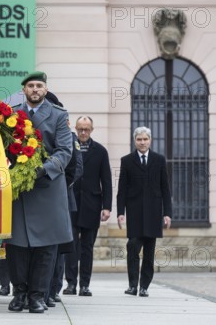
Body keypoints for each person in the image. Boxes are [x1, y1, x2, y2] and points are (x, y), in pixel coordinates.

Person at [6, 71, 73, 314]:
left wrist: (41, 170)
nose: (35, 89)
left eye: (39, 85)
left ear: (45, 89)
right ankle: (19, 293)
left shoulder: (59, 115)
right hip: (18, 189)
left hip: (47, 188)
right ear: (23, 89)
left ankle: (37, 295)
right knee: (16, 245)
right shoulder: (10, 115)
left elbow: (65, 151)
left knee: (45, 247)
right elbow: (1, 147)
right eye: (31, 85)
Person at [117, 126, 172, 298]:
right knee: (132, 247)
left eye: (145, 139)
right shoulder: (126, 161)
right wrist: (120, 212)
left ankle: (144, 287)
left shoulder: (159, 159)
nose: (142, 142)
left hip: (154, 213)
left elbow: (165, 188)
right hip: (134, 213)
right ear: (135, 141)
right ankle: (133, 285)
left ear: (150, 140)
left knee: (149, 252)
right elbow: (122, 189)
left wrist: (167, 213)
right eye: (139, 139)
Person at [64, 116, 112, 297]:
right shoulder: (68, 147)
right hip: (71, 203)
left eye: (87, 129)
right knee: (71, 246)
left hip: (92, 204)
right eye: (80, 129)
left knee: (87, 247)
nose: (83, 132)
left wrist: (107, 207)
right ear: (76, 129)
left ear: (92, 130)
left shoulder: (100, 151)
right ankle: (70, 283)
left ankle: (84, 284)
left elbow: (106, 180)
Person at [44, 91, 83, 306]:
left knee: (58, 247)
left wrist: (56, 185)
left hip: (61, 196)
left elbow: (75, 169)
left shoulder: (69, 137)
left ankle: (53, 289)